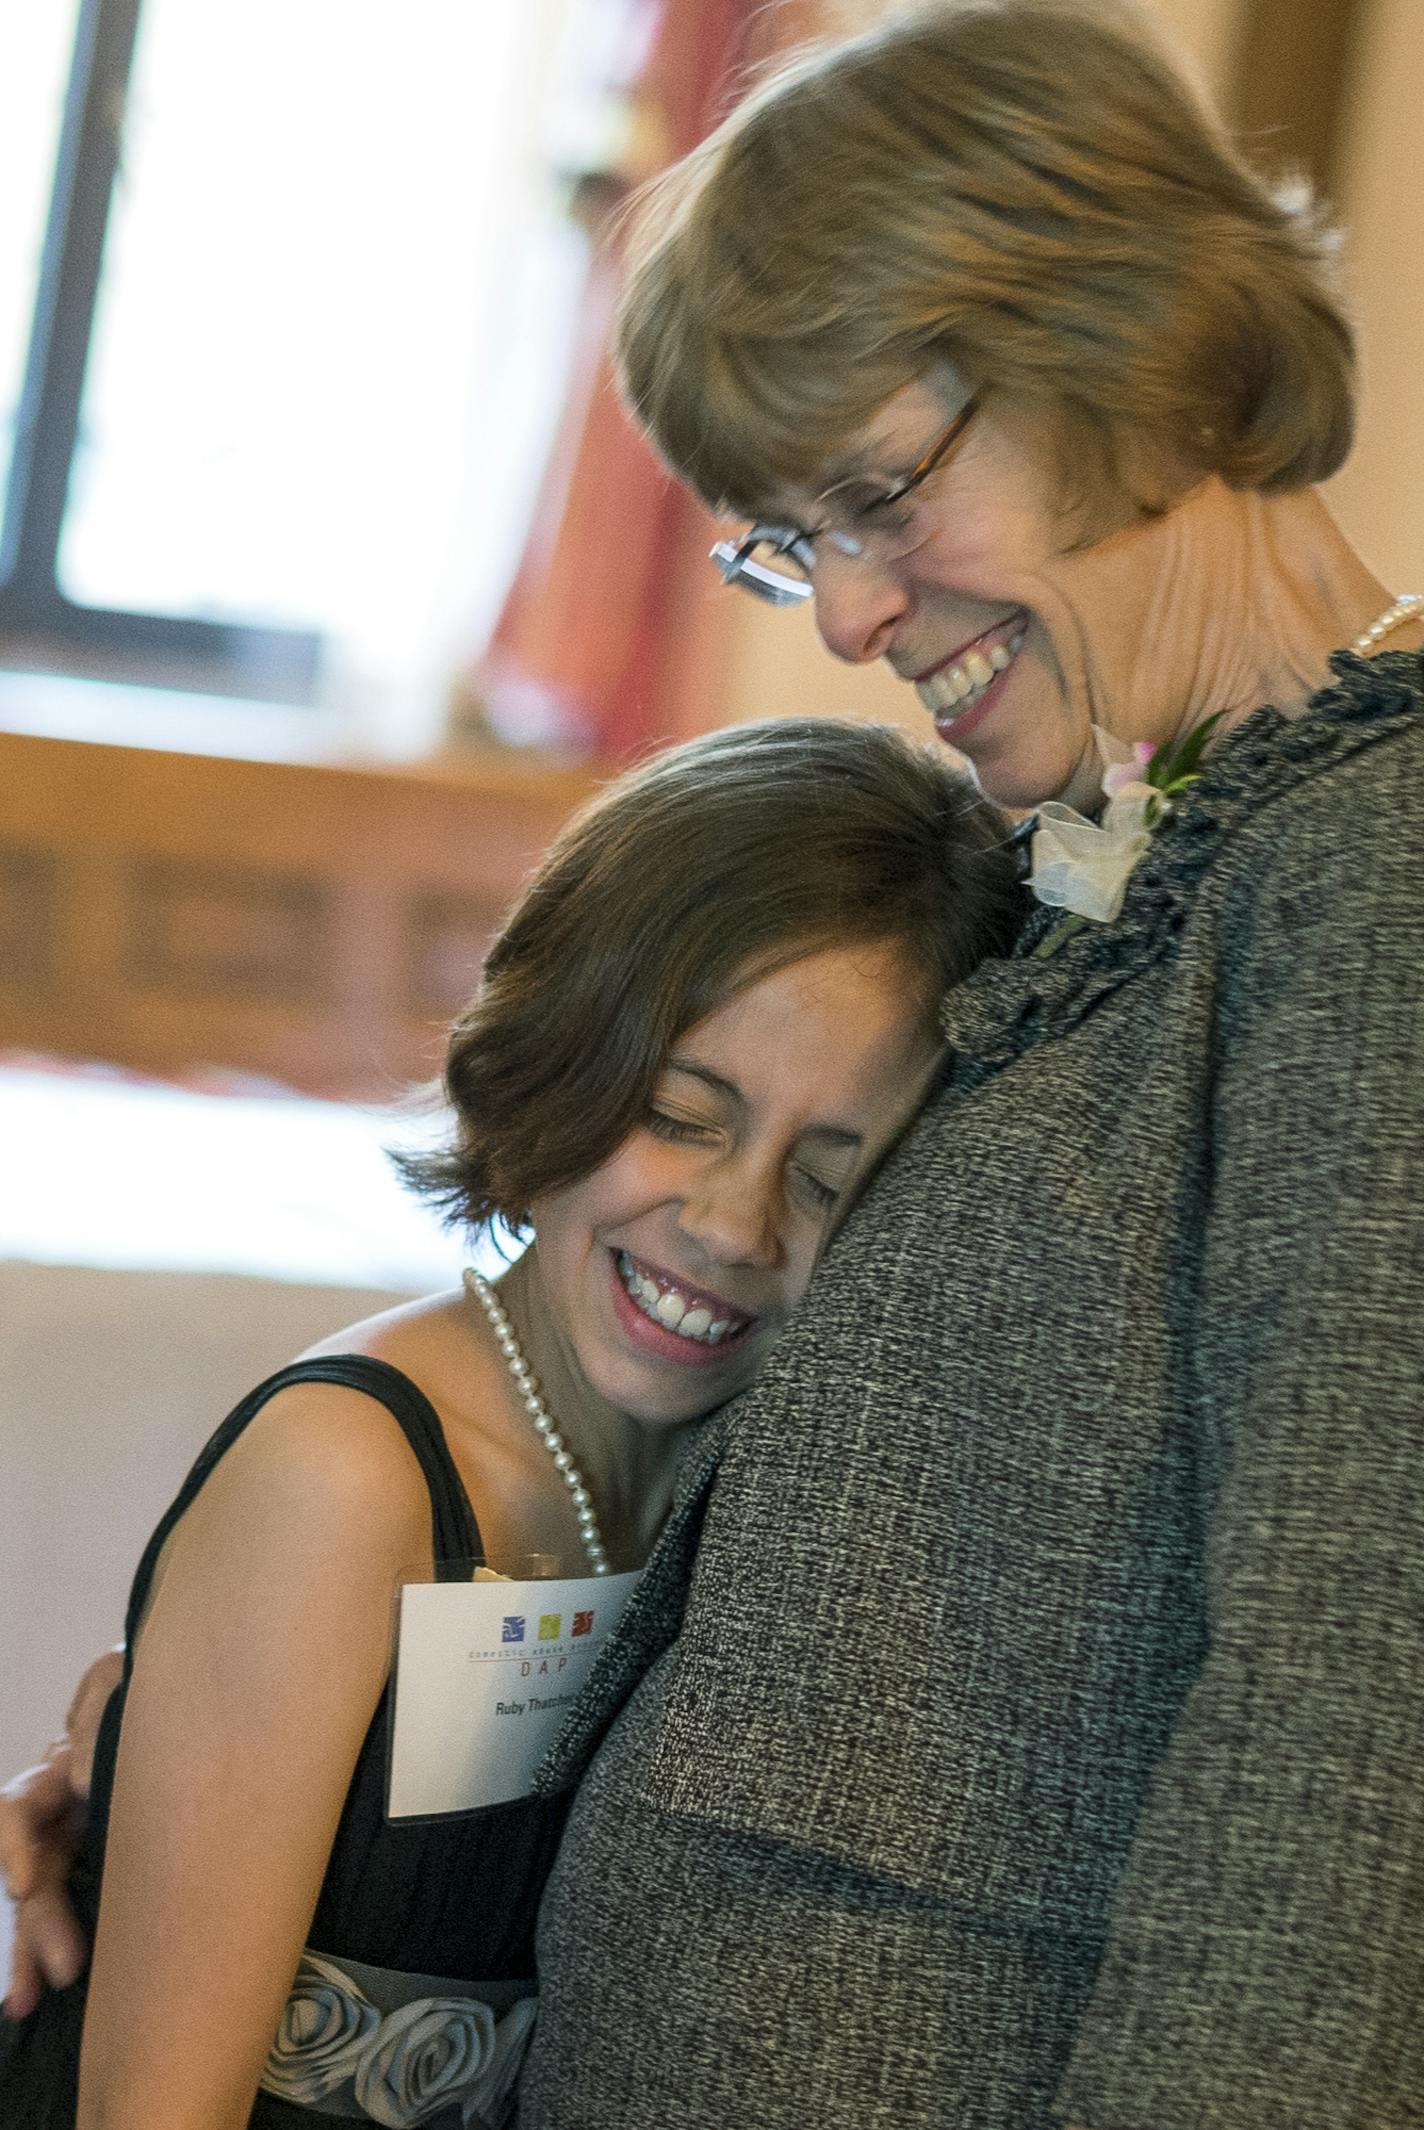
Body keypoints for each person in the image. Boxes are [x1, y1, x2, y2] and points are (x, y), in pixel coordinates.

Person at [9, 1, 1424, 2122]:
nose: (844, 619)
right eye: (790, 537)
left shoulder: (1372, 880)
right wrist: (224, 1770)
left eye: (873, 494)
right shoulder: (1126, 854)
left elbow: (1333, 1771)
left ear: (1131, 353)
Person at [0, 715, 1023, 2129]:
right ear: (559, 1054)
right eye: (683, 1111)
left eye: (830, 1177)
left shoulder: (758, 1486)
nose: (731, 1224)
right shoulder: (350, 1477)